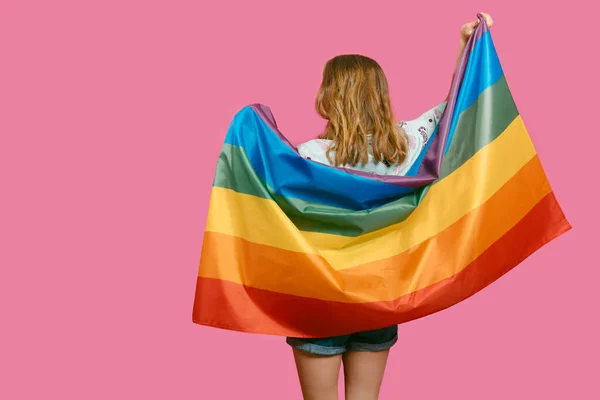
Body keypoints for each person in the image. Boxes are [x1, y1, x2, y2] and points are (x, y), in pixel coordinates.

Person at [286, 13, 493, 400]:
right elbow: (454, 110)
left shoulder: (309, 156)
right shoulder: (406, 145)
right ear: (379, 94)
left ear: (330, 96)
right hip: (379, 294)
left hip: (321, 297)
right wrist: (468, 47)